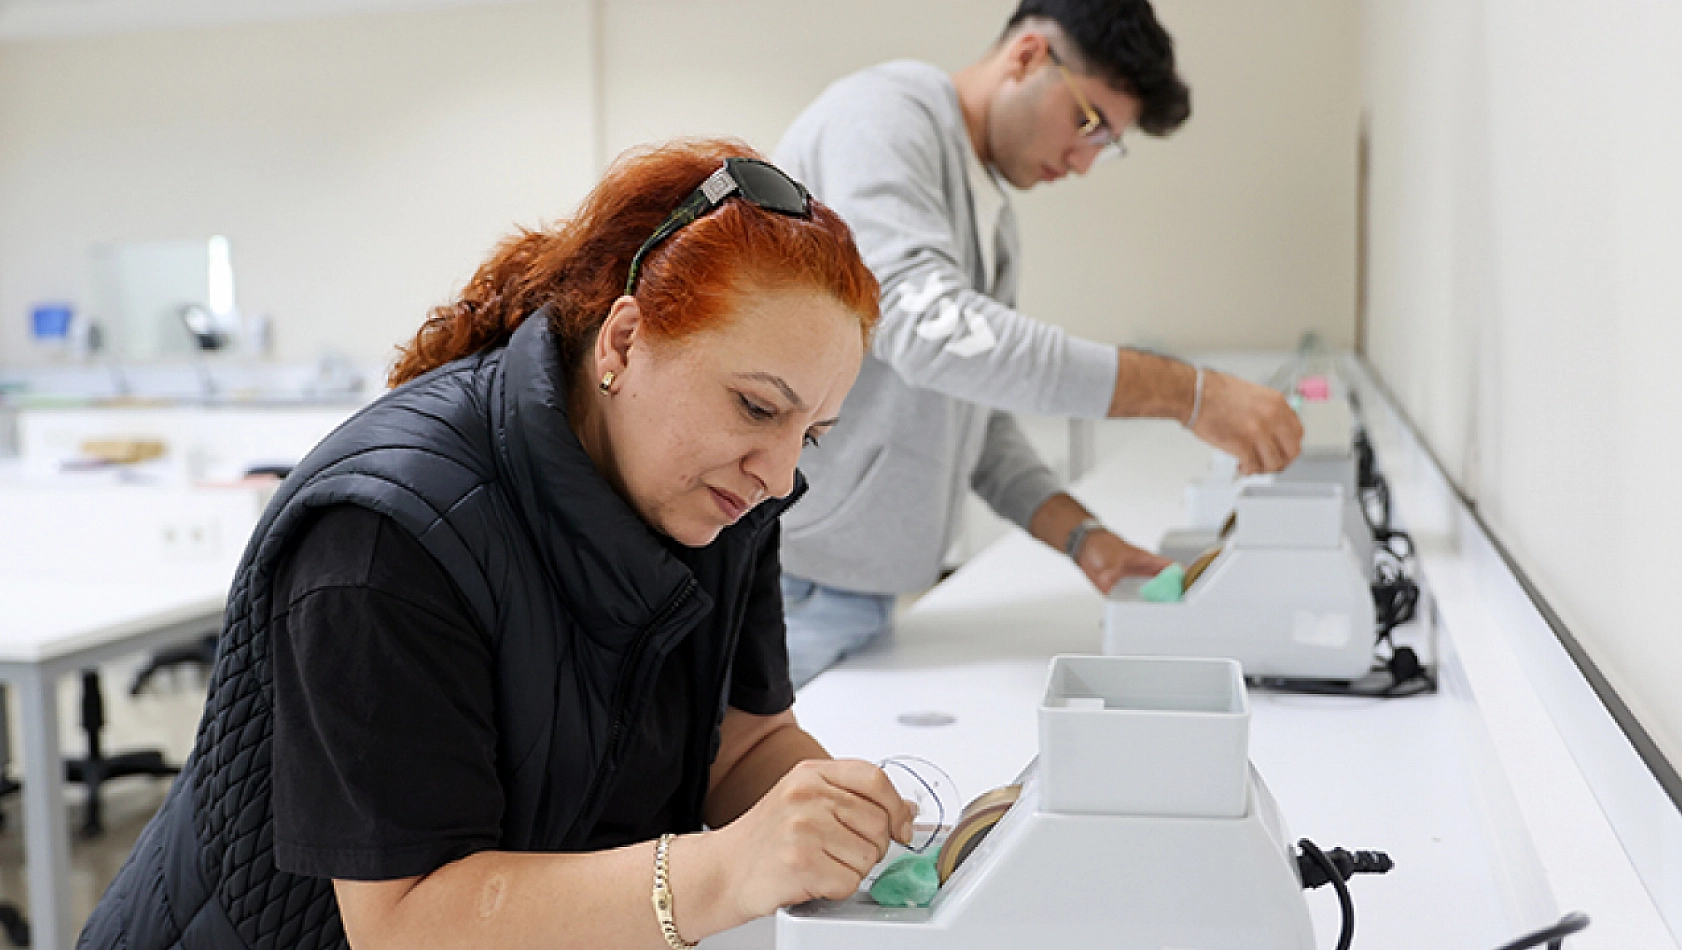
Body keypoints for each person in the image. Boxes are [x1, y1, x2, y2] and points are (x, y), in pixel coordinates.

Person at [78, 139, 914, 950]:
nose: (776, 474)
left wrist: (838, 825)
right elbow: (407, 920)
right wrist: (722, 872)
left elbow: (747, 744)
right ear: (623, 343)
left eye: (809, 434)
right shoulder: (386, 538)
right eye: (758, 408)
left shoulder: (721, 495)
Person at [773, 0, 1306, 687]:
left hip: (852, 591)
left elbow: (978, 428)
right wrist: (1188, 393)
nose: (1085, 161)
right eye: (1089, 123)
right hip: (787, 578)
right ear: (1027, 56)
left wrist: (1087, 541)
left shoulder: (991, 221)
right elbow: (929, 334)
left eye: (1107, 144)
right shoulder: (881, 118)